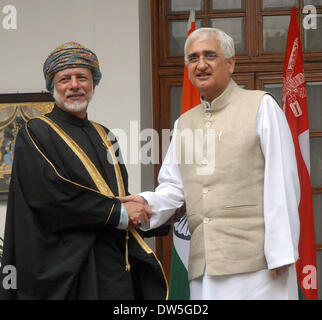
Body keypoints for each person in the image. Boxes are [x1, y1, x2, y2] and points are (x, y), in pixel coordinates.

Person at [119, 28, 301, 300]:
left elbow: (282, 181)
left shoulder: (262, 107)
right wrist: (145, 205)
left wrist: (281, 251)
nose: (200, 64)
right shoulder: (184, 124)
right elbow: (173, 187)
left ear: (230, 63)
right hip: (205, 265)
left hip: (260, 265)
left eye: (209, 55)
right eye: (193, 58)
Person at [0, 42, 168, 300]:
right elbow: (50, 198)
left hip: (115, 269)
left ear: (93, 84)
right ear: (52, 86)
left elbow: (116, 197)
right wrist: (120, 212)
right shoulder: (36, 131)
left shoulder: (106, 135)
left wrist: (153, 209)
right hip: (72, 275)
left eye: (82, 78)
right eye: (64, 79)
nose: (74, 85)